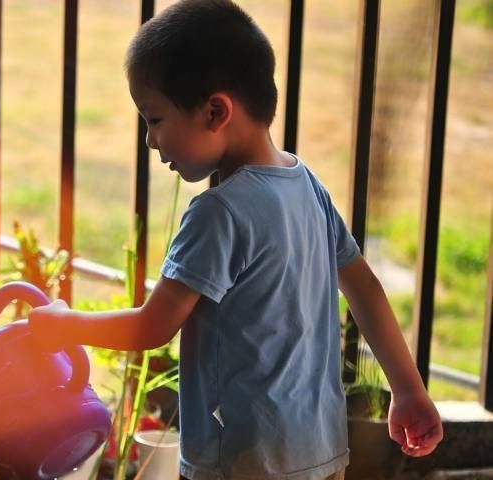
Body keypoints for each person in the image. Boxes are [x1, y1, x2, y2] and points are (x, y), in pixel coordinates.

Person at [28, 1, 443, 479]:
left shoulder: (218, 213)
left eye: (155, 119)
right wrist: (408, 389)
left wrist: (63, 324)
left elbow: (150, 328)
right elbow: (365, 289)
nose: (151, 141)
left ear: (215, 111)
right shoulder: (306, 184)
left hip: (244, 463)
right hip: (321, 456)